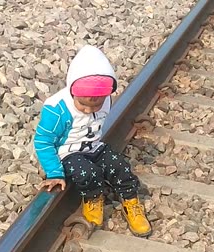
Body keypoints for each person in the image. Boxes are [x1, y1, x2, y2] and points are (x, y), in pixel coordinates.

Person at [33, 45, 151, 237]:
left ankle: (131, 202)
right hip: (68, 153)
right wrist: (54, 172)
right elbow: (43, 141)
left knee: (120, 166)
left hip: (94, 147)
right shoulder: (57, 110)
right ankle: (93, 198)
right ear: (73, 91)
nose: (89, 110)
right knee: (87, 173)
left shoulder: (105, 99)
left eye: (96, 105)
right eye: (83, 105)